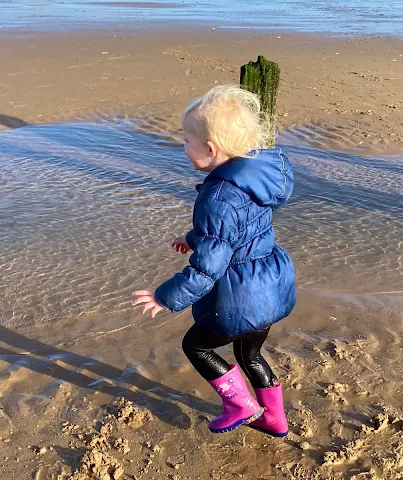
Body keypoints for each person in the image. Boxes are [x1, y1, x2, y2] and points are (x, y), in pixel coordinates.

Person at [132, 85, 296, 436]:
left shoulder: (217, 196)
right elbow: (237, 230)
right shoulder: (256, 179)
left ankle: (239, 404)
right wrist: (192, 237)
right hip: (272, 286)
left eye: (186, 140)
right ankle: (275, 418)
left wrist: (165, 297)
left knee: (197, 345)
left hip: (241, 295)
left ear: (210, 149)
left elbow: (208, 266)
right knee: (250, 356)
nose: (183, 147)